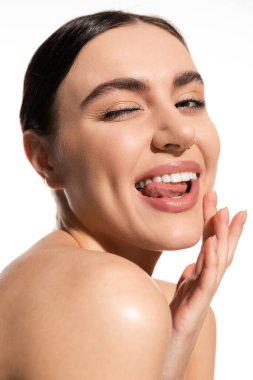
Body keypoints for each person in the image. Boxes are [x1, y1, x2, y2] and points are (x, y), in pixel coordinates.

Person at [0, 10, 247, 380]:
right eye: (123, 110)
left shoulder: (171, 310)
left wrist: (180, 338)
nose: (180, 131)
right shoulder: (110, 298)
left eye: (189, 101)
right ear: (44, 158)